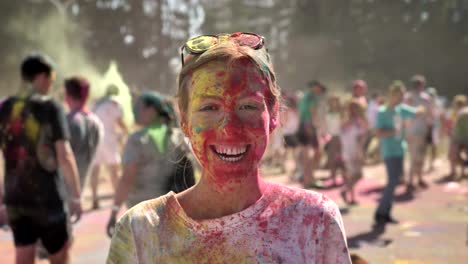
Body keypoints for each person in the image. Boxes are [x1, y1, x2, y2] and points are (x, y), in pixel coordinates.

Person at [107, 32, 351, 263]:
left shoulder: (314, 221)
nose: (229, 129)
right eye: (209, 108)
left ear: (274, 113)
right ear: (184, 119)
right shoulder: (140, 232)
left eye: (247, 107)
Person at [0, 54, 82, 263]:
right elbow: (64, 155)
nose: (50, 85)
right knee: (59, 256)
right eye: (51, 80)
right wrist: (76, 196)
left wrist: (2, 196)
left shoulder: (5, 107)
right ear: (41, 77)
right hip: (48, 199)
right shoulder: (50, 107)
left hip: (15, 199)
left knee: (24, 254)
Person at [106, 91, 195, 237]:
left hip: (144, 215)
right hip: (176, 214)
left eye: (138, 108)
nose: (134, 112)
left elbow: (127, 178)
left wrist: (114, 211)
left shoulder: (137, 140)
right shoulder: (179, 138)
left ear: (151, 110)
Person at [374, 81, 423, 225]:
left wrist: (421, 105)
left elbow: (418, 112)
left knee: (396, 181)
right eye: (399, 94)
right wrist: (395, 130)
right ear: (391, 95)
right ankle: (380, 212)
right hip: (389, 151)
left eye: (402, 94)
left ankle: (386, 212)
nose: (401, 97)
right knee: (392, 181)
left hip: (400, 149)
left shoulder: (402, 109)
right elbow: (379, 132)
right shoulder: (383, 111)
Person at [90, 84, 128, 209]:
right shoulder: (114, 103)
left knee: (95, 169)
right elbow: (119, 121)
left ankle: (94, 198)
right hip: (109, 139)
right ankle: (118, 199)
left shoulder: (96, 103)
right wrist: (128, 131)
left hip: (95, 139)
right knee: (114, 169)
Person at [64, 76, 103, 189]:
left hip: (64, 188)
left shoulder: (68, 121)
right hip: (81, 185)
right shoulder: (96, 122)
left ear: (68, 96)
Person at [404, 75, 433, 192]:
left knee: (420, 156)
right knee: (415, 156)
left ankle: (418, 178)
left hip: (420, 130)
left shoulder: (425, 98)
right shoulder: (410, 97)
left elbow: (429, 115)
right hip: (414, 131)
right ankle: (411, 180)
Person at [297, 80, 326, 188]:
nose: (319, 90)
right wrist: (316, 127)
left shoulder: (304, 96)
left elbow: (301, 113)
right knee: (313, 153)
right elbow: (313, 114)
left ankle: (307, 179)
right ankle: (309, 178)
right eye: (318, 88)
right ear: (314, 87)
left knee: (308, 153)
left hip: (302, 125)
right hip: (309, 126)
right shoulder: (312, 97)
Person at [339, 100, 367, 205]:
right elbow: (359, 139)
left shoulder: (352, 121)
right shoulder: (353, 121)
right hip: (353, 151)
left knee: (352, 175)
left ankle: (351, 197)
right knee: (358, 174)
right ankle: (345, 191)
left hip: (349, 151)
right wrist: (360, 153)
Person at [324, 95, 344, 186]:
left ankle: (344, 178)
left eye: (336, 101)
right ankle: (333, 178)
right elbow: (325, 127)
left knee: (341, 159)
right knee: (331, 159)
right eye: (332, 101)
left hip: (341, 137)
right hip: (331, 138)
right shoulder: (327, 114)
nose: (334, 103)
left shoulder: (342, 114)